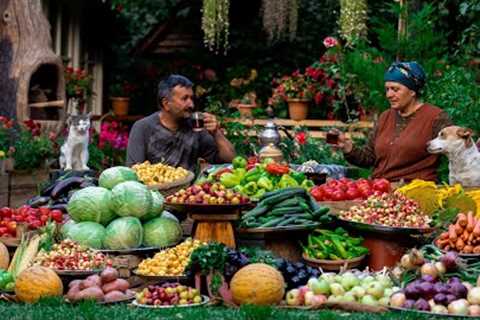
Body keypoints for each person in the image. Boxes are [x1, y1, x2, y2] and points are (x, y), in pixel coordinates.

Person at [334, 61, 452, 182]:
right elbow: (369, 158)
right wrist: (347, 147)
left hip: (415, 192)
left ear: (412, 91)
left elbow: (456, 149)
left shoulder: (435, 117)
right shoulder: (385, 117)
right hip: (380, 190)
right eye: (387, 89)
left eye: (395, 89)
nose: (389, 94)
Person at [126, 74, 236, 171]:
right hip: (154, 191)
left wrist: (216, 133)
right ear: (166, 104)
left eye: (191, 98)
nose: (191, 104)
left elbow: (231, 160)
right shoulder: (143, 128)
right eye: (185, 99)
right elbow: (133, 171)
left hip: (188, 193)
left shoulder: (195, 126)